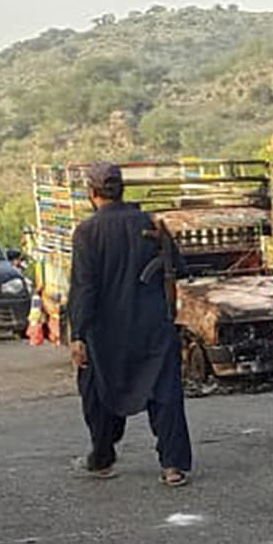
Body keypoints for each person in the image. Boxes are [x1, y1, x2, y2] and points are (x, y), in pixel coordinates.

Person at [69, 161, 192, 484]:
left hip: (105, 331)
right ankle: (173, 466)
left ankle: (102, 458)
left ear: (92, 193)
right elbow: (179, 266)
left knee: (96, 389)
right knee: (164, 392)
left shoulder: (87, 232)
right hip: (153, 324)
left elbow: (84, 287)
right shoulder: (150, 223)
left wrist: (78, 334)